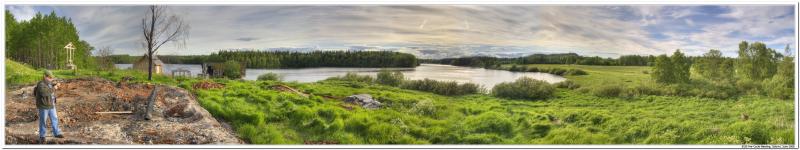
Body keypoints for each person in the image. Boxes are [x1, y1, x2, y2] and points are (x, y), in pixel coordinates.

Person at [33, 70, 64, 144]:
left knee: (55, 119)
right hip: (44, 106)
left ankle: (56, 133)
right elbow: (45, 93)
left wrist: (54, 85)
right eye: (49, 77)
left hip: (51, 105)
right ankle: (42, 136)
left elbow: (50, 89)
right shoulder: (40, 84)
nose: (51, 79)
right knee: (43, 121)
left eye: (51, 78)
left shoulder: (49, 84)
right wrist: (54, 88)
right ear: (45, 76)